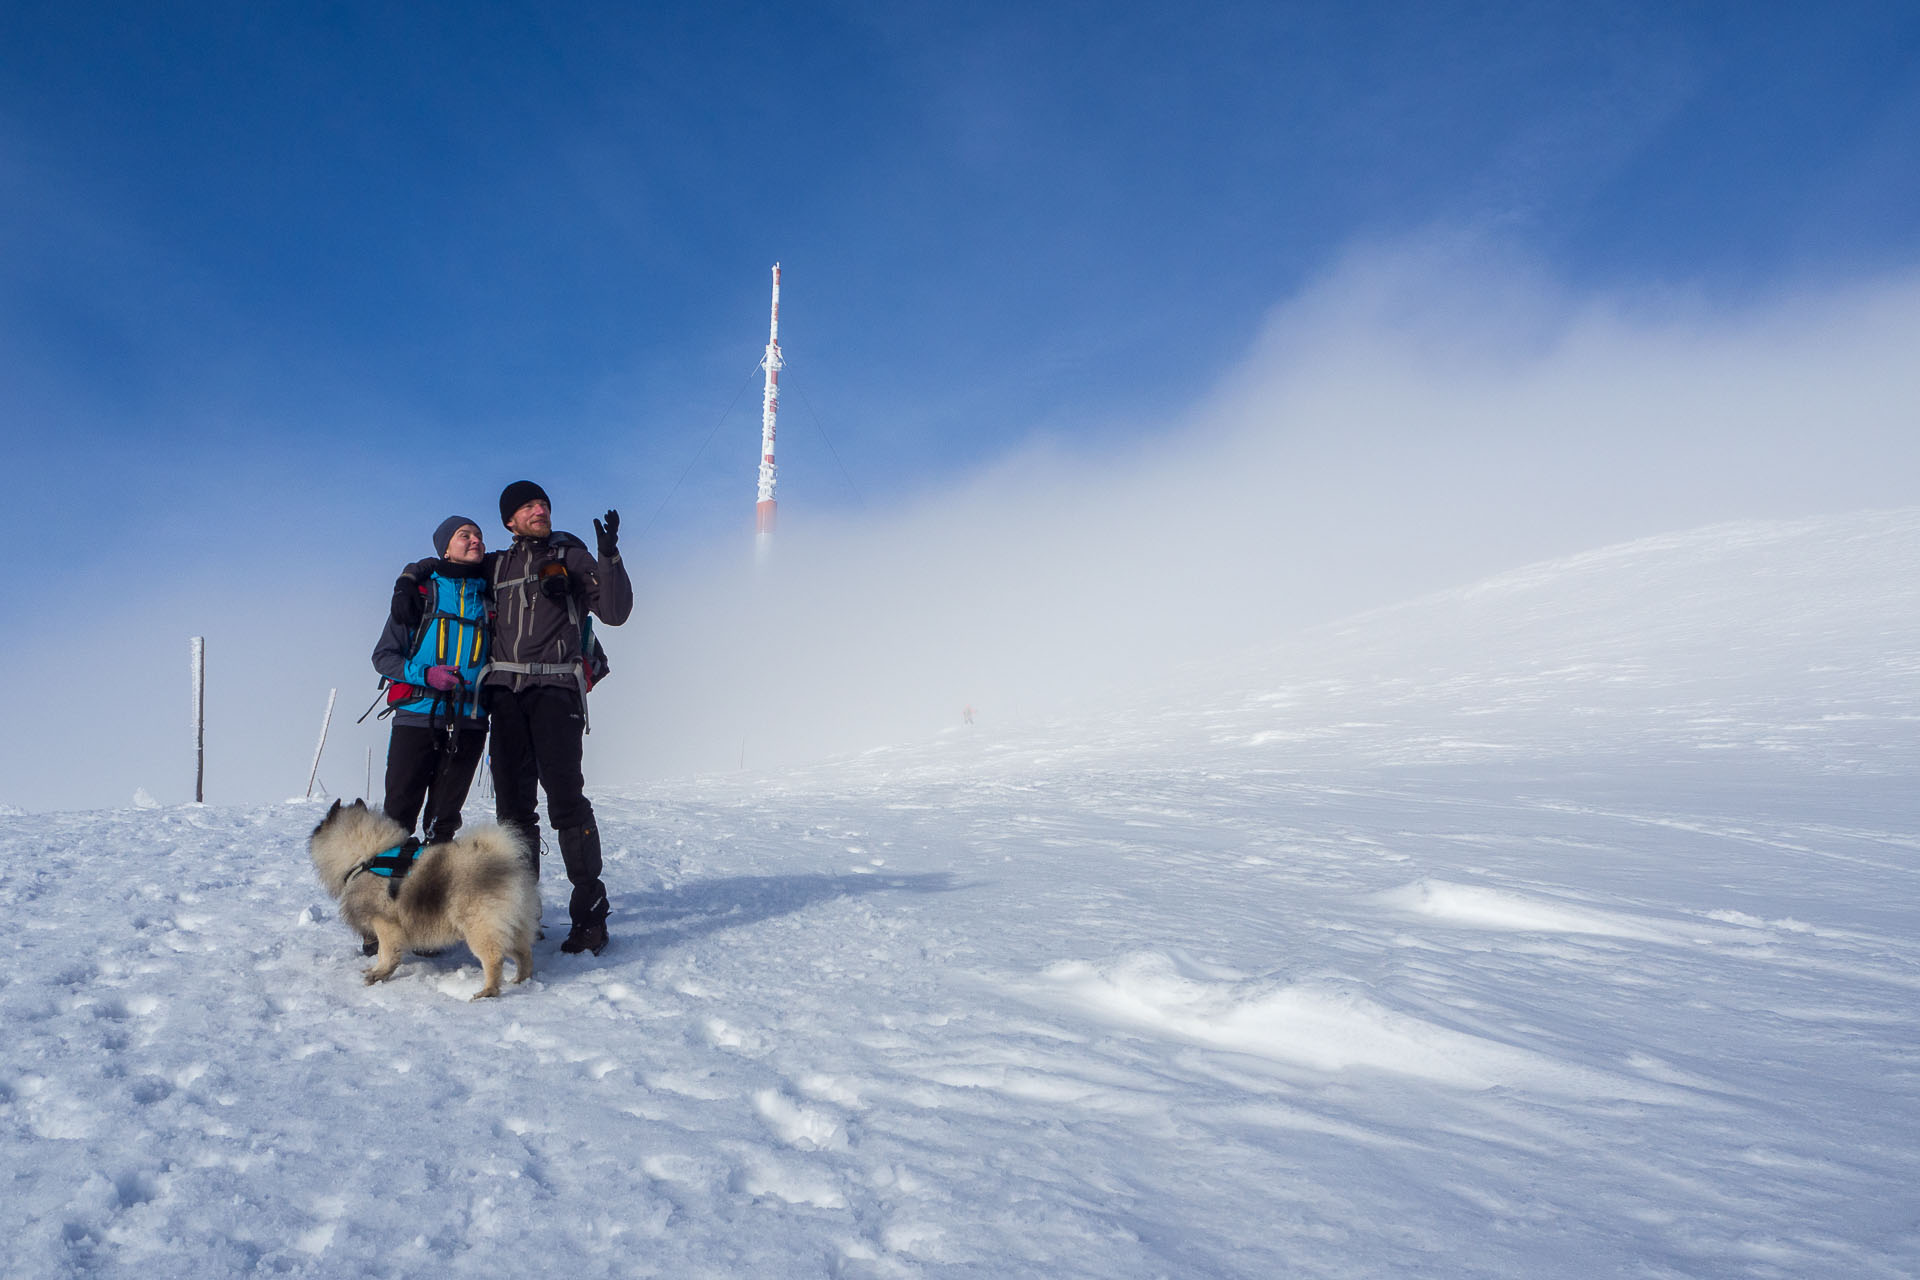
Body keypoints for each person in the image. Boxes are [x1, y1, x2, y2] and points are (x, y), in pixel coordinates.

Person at [399, 481, 632, 955]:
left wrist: (609, 558)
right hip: (505, 697)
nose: (539, 509)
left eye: (543, 503)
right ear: (509, 520)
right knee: (513, 811)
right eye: (527, 506)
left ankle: (590, 915)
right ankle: (524, 913)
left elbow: (615, 611)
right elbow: (447, 565)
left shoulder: (571, 555)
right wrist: (410, 577)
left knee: (566, 801)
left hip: (555, 692)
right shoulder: (495, 564)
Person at [373, 516, 492, 846]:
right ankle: (387, 893)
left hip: (470, 723)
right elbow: (383, 656)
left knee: (443, 825)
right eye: (464, 535)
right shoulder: (421, 594)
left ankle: (432, 894)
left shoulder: (491, 600)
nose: (475, 541)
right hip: (417, 717)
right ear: (446, 549)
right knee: (396, 820)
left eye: (479, 536)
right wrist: (426, 675)